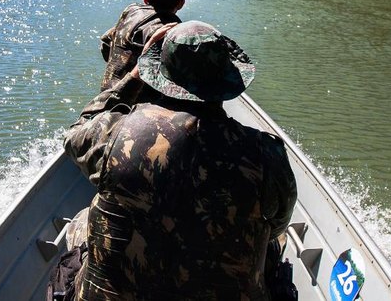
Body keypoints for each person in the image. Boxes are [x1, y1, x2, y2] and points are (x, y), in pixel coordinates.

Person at [64, 20, 297, 300]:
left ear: (159, 76)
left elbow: (76, 132)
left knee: (82, 220)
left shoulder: (115, 134)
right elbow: (277, 225)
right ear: (226, 81)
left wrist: (132, 77)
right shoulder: (267, 155)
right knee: (273, 243)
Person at [99, 0, 188, 92]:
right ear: (181, 3)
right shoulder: (171, 32)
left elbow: (106, 42)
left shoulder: (131, 11)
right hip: (135, 106)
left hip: (104, 98)